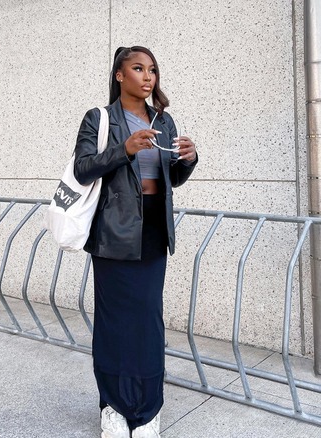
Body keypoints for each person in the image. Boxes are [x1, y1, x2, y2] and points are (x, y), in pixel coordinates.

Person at [73, 46, 198, 438]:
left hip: (153, 232)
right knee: (113, 322)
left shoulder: (165, 121)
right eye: (138, 69)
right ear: (119, 75)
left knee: (147, 322)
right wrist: (123, 149)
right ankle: (112, 405)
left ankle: (147, 410)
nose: (148, 77)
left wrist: (188, 161)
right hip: (112, 232)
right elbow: (82, 169)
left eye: (153, 70)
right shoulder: (100, 118)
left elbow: (170, 180)